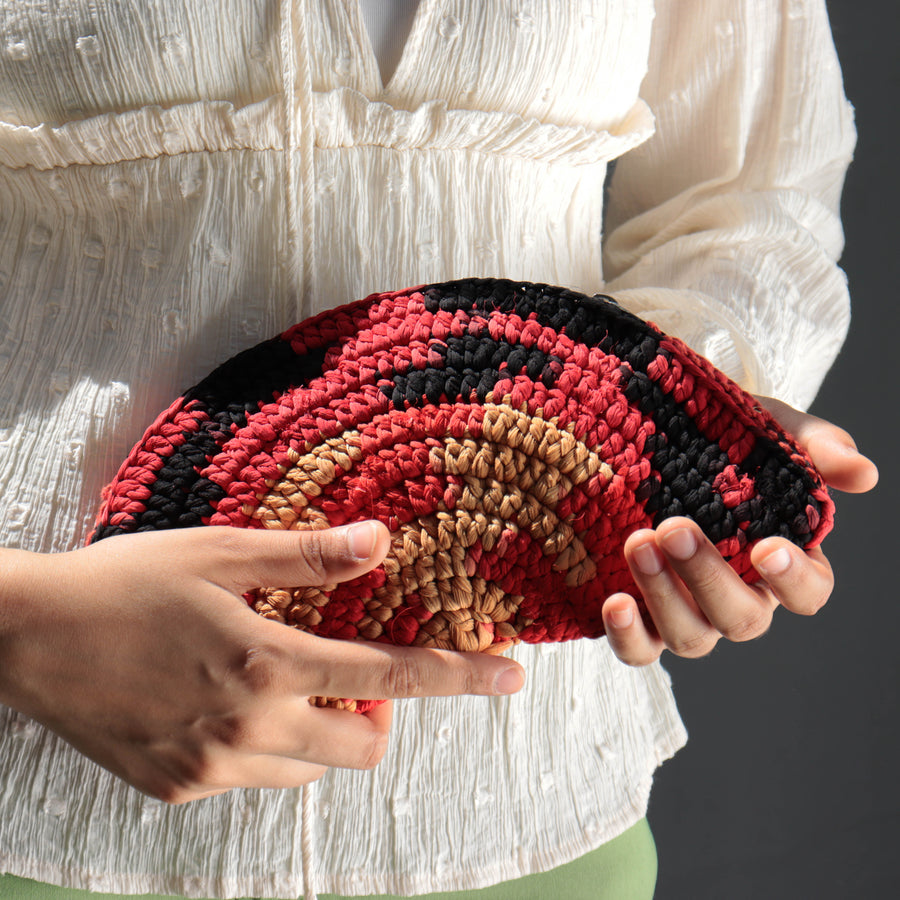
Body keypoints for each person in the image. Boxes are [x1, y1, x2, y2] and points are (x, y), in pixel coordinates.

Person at [0, 1, 878, 898]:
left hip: (531, 813)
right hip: (40, 789)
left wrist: (682, 419)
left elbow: (757, 199)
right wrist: (19, 623)